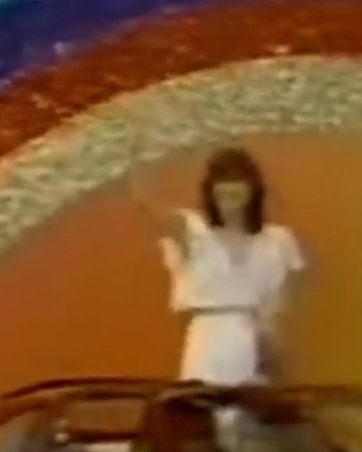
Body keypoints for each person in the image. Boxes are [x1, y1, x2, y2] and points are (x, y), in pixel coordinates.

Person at [131, 147, 305, 386]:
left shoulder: (276, 240)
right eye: (222, 181)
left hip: (255, 339)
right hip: (207, 341)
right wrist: (137, 151)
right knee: (206, 409)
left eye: (238, 180)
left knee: (253, 413)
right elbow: (148, 204)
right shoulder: (193, 232)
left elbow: (278, 304)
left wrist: (272, 348)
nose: (230, 188)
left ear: (253, 188)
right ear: (211, 190)